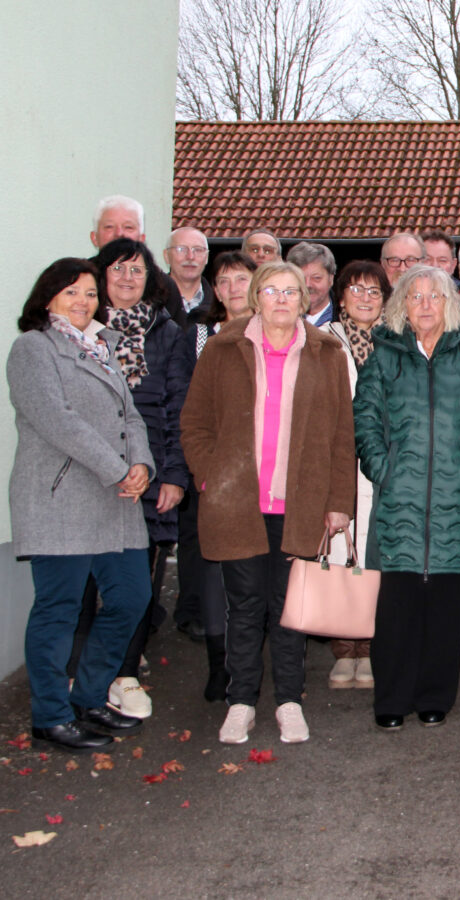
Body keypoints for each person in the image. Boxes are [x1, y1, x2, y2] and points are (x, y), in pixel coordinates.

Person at [181, 260, 356, 744]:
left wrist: (340, 501)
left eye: (291, 291)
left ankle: (289, 702)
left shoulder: (327, 353)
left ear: (305, 299)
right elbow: (194, 424)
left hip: (300, 505)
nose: (281, 299)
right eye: (272, 290)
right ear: (256, 297)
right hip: (239, 503)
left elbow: (344, 436)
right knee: (245, 607)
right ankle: (241, 701)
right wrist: (210, 478)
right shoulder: (222, 350)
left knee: (289, 609)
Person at [9, 258, 155, 751]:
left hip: (116, 500)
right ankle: (50, 714)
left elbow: (129, 415)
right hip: (63, 499)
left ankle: (90, 697)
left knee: (132, 598)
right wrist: (118, 468)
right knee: (59, 609)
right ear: (47, 297)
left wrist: (141, 465)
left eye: (90, 294)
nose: (82, 301)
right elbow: (58, 420)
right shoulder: (33, 349)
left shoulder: (100, 348)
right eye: (71, 292)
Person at [354, 265, 460, 729]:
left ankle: (435, 694)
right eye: (414, 297)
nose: (424, 305)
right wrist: (384, 469)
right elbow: (366, 422)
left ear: (449, 304)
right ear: (402, 305)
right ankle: (392, 699)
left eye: (433, 297)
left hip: (454, 505)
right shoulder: (384, 358)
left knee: (445, 609)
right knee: (396, 612)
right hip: (399, 502)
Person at [71, 239, 187, 720]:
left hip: (150, 474)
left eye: (136, 271)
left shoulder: (167, 333)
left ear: (149, 279)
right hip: (88, 476)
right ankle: (80, 675)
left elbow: (180, 407)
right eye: (117, 269)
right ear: (101, 277)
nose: (126, 278)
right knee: (83, 585)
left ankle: (125, 674)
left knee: (138, 584)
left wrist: (174, 476)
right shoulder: (79, 333)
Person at [175, 250, 257, 703]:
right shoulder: (198, 335)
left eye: (240, 279)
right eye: (222, 280)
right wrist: (204, 471)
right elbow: (189, 408)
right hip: (217, 472)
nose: (231, 288)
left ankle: (247, 664)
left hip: (263, 473)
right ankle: (217, 663)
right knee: (214, 571)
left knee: (254, 575)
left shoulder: (272, 332)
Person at [321, 260, 390, 690]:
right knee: (339, 556)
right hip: (338, 464)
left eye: (374, 291)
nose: (365, 298)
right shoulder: (323, 342)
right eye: (356, 289)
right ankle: (343, 650)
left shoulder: (396, 342)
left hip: (383, 468)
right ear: (341, 295)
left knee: (374, 560)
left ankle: (370, 648)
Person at [163, 226, 213, 330]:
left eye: (198, 250)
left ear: (207, 257)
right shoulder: (151, 302)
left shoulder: (221, 305)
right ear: (166, 256)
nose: (190, 256)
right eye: (181, 249)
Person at [286, 241, 337, 328]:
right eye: (301, 278)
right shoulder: (277, 317)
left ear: (330, 280)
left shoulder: (346, 321)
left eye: (316, 278)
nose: (307, 285)